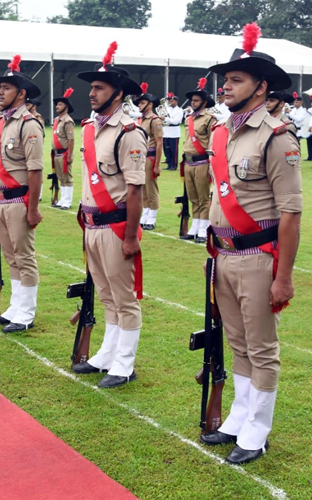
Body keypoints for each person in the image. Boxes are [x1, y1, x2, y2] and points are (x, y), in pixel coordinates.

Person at [200, 24, 301, 465]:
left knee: (261, 347)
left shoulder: (278, 136)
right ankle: (240, 417)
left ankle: (257, 429)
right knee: (238, 344)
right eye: (225, 79)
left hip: (259, 258)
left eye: (236, 79)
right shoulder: (221, 134)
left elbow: (291, 214)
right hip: (224, 256)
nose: (225, 85)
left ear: (261, 88)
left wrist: (284, 278)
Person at [71, 42, 146, 389]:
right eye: (92, 87)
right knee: (105, 293)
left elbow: (134, 190)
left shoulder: (129, 132)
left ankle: (125, 363)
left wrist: (131, 237)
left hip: (116, 227)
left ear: (117, 92)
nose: (92, 93)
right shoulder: (91, 127)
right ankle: (108, 353)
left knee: (124, 296)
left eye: (99, 88)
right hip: (92, 224)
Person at [0, 55, 44, 334]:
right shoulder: (3, 122)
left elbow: (35, 170)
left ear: (21, 94)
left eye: (6, 88)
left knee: (24, 256)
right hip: (2, 200)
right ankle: (15, 306)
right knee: (10, 256)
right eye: (0, 87)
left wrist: (33, 208)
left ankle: (27, 313)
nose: (0, 91)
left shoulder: (28, 124)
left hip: (20, 200)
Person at [181, 78, 217, 243]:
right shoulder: (189, 118)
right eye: (192, 100)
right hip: (188, 161)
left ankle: (204, 229)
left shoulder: (210, 119)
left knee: (203, 197)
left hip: (202, 161)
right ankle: (195, 227)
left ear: (204, 102)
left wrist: (211, 165)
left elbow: (212, 142)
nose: (193, 103)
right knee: (193, 197)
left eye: (196, 100)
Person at [133, 83, 163, 230]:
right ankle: (145, 215)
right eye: (139, 103)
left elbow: (159, 143)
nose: (139, 105)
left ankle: (152, 218)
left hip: (150, 157)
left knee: (151, 189)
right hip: (141, 158)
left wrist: (157, 164)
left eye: (143, 103)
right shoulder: (142, 120)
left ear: (150, 105)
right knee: (143, 188)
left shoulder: (154, 120)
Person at [51, 88, 76, 209]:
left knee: (67, 177)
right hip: (56, 154)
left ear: (66, 107)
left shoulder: (68, 121)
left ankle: (67, 201)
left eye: (60, 104)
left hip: (65, 153)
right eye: (57, 104)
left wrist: (70, 155)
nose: (57, 106)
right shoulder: (57, 120)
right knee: (61, 177)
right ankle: (62, 199)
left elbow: (71, 139)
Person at [287, 93, 312, 159]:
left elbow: (298, 119)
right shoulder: (293, 110)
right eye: (295, 101)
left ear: (301, 102)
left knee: (296, 144)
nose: (295, 103)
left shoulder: (303, 111)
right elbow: (289, 118)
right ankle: (293, 157)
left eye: (297, 101)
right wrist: (286, 112)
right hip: (292, 129)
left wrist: (289, 113)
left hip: (300, 130)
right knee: (291, 144)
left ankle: (296, 157)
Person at [162, 93, 182, 170]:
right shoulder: (168, 109)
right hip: (166, 131)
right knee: (167, 149)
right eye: (169, 101)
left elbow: (176, 121)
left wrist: (166, 119)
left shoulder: (179, 110)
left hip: (174, 132)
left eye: (172, 101)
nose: (170, 102)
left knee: (174, 150)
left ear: (176, 102)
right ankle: (169, 164)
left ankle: (174, 165)